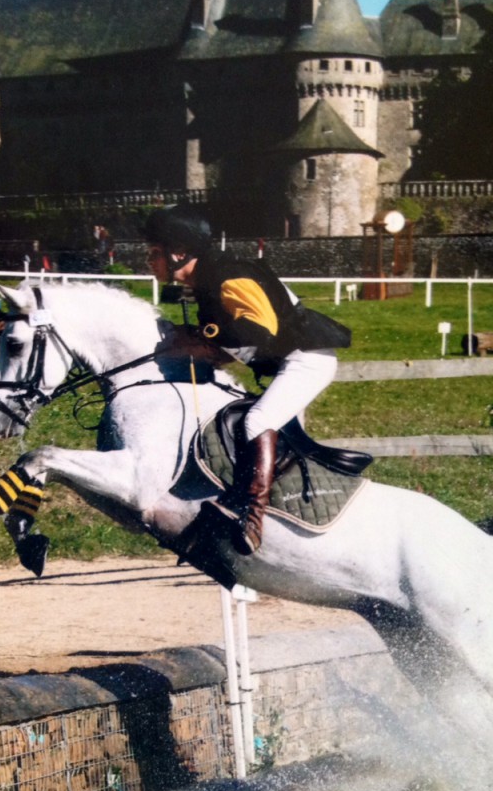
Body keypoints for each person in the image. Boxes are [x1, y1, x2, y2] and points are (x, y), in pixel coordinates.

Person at [144, 205, 350, 555]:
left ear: (179, 253)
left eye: (154, 254)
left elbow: (261, 331)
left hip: (308, 358)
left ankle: (250, 518)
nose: (149, 261)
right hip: (289, 359)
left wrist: (203, 341)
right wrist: (203, 342)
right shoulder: (208, 278)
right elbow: (236, 342)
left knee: (257, 419)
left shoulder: (228, 277)